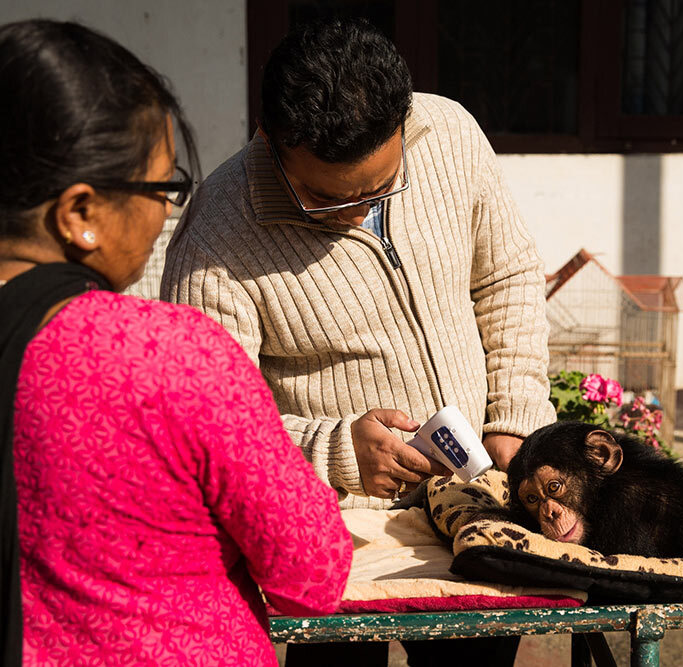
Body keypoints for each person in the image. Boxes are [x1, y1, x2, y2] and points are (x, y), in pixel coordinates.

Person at [0, 20, 352, 666]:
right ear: (79, 214)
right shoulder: (169, 356)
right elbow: (314, 571)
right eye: (162, 188)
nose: (167, 212)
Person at [160, 19, 557, 511]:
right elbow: (208, 419)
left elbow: (507, 278)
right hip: (347, 524)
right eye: (326, 199)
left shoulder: (450, 133)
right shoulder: (213, 239)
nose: (358, 210)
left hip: (485, 494)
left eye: (383, 186)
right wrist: (334, 452)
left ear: (405, 121)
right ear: (269, 138)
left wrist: (515, 418)